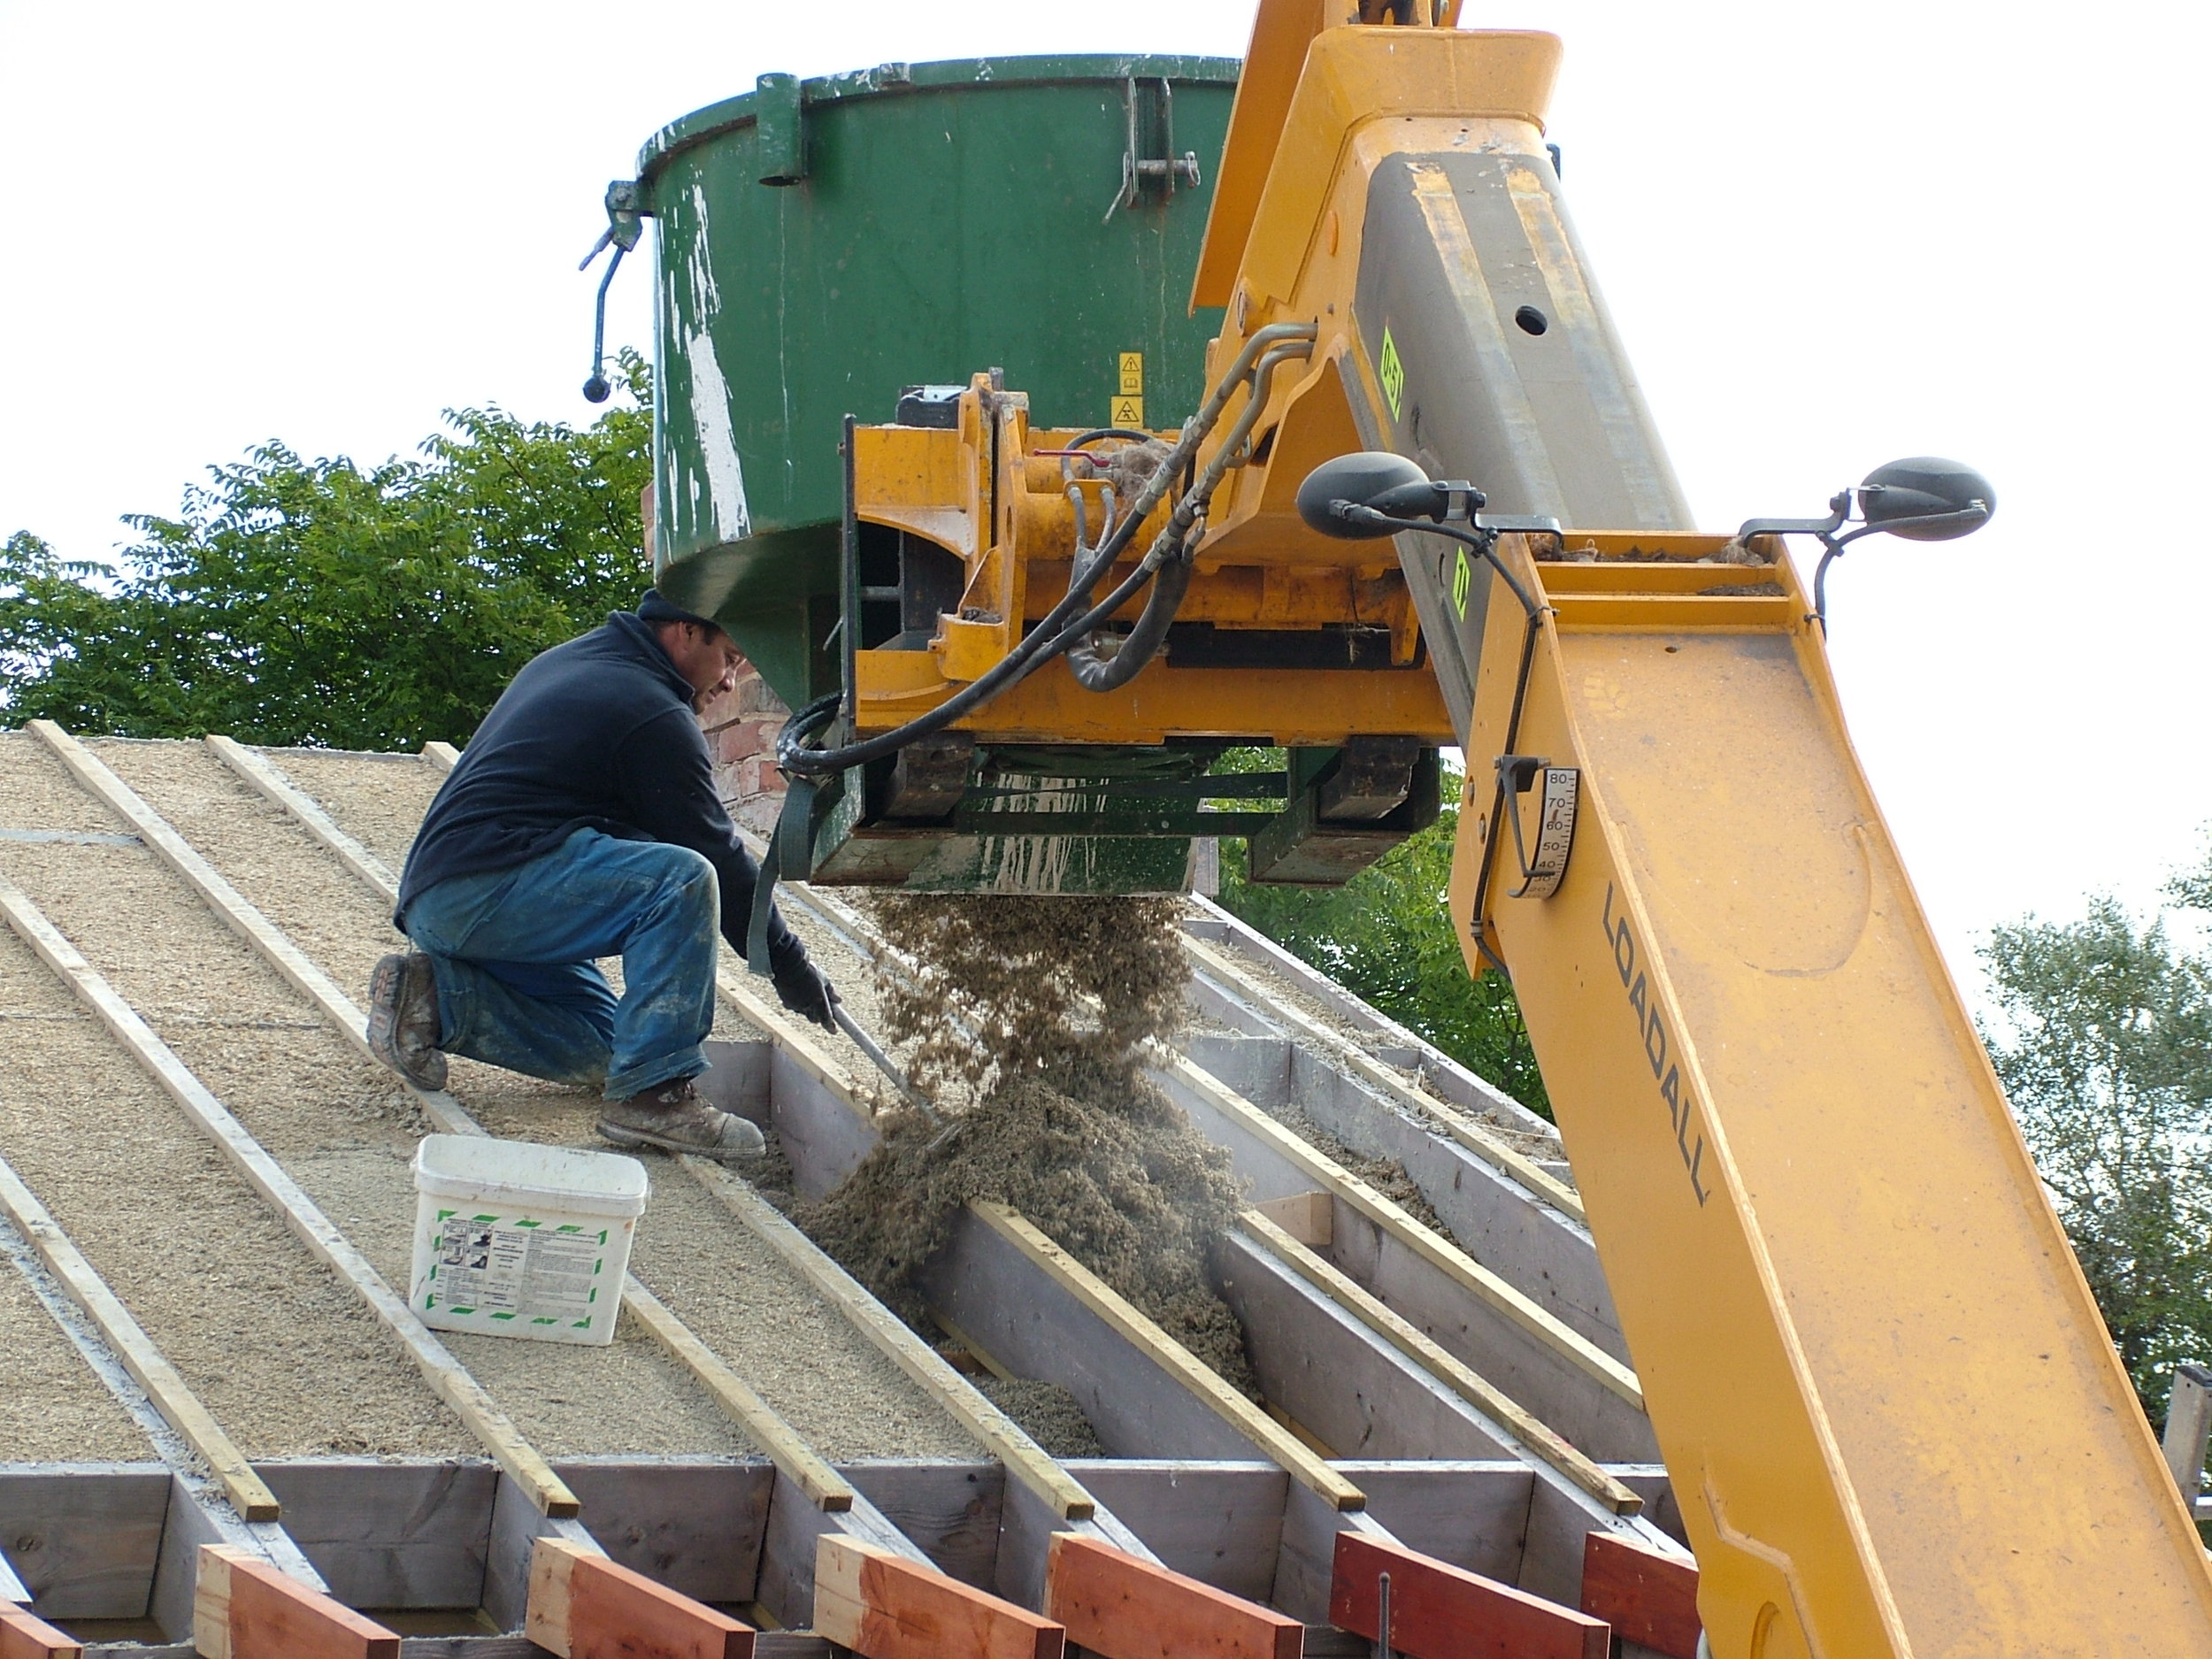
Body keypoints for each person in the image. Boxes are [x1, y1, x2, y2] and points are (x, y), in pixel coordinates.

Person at [365, 588, 835, 1160]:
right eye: (731, 657)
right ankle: (656, 1098)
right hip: (488, 887)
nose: (731, 682)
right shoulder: (650, 707)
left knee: (614, 1048)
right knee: (682, 878)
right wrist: (790, 965)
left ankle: (437, 1000)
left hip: (455, 898)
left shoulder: (581, 661)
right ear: (686, 631)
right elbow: (717, 856)